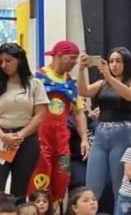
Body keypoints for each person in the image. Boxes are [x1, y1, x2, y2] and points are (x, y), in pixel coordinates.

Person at [0, 43, 48, 200]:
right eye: (0, 62)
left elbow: (40, 115)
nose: (4, 65)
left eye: (8, 60)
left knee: (20, 192)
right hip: (0, 139)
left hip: (26, 141)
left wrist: (20, 135)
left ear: (19, 60)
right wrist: (3, 136)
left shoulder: (34, 84)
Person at [26, 40, 88, 205]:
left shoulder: (71, 83)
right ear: (59, 56)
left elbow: (79, 113)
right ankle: (37, 212)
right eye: (72, 58)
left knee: (62, 176)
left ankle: (54, 213)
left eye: (76, 58)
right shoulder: (36, 78)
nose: (75, 62)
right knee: (40, 175)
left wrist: (84, 138)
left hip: (61, 140)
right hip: (40, 137)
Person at [79, 47, 131, 209]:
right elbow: (83, 91)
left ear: (126, 64)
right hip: (101, 133)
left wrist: (109, 76)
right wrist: (81, 69)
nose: (114, 65)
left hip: (123, 133)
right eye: (111, 61)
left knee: (120, 186)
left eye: (118, 61)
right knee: (92, 185)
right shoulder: (102, 83)